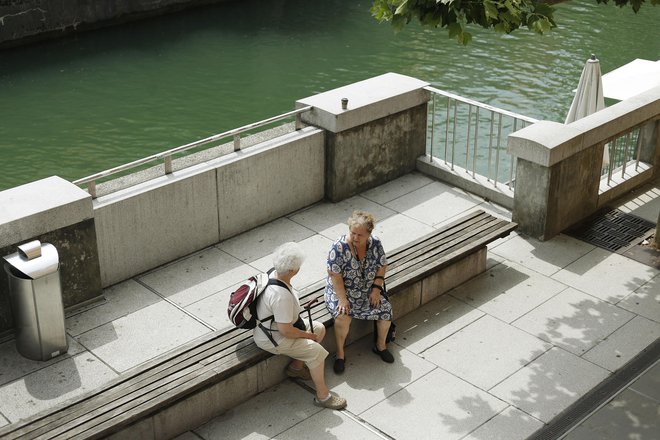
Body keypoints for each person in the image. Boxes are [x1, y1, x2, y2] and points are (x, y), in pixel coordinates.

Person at [253, 242, 347, 410]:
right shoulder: (280, 296)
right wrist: (307, 336)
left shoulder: (272, 274)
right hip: (273, 339)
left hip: (269, 329)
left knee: (318, 328)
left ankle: (296, 368)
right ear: (292, 271)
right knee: (316, 352)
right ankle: (323, 397)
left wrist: (308, 333)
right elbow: (285, 330)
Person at [325, 210, 394, 374]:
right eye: (352, 233)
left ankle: (380, 346)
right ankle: (340, 355)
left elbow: (382, 265)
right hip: (341, 291)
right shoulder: (339, 247)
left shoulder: (375, 243)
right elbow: (334, 275)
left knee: (386, 311)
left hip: (366, 290)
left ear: (369, 234)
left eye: (360, 235)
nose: (355, 237)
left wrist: (376, 289)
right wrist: (342, 300)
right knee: (342, 316)